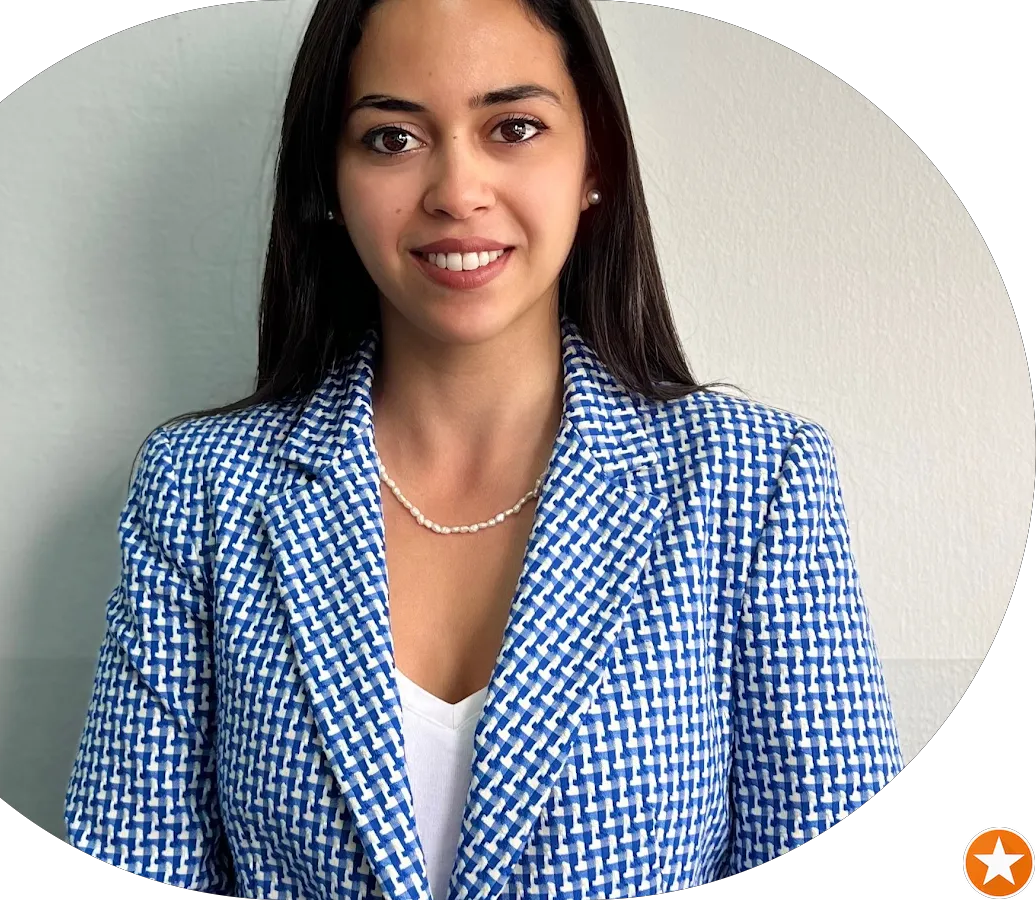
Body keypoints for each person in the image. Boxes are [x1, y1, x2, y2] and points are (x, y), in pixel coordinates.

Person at [64, 0, 905, 897]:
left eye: (514, 127)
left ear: (595, 163)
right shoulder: (202, 488)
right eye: (392, 138)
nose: (457, 192)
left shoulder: (753, 480)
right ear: (329, 182)